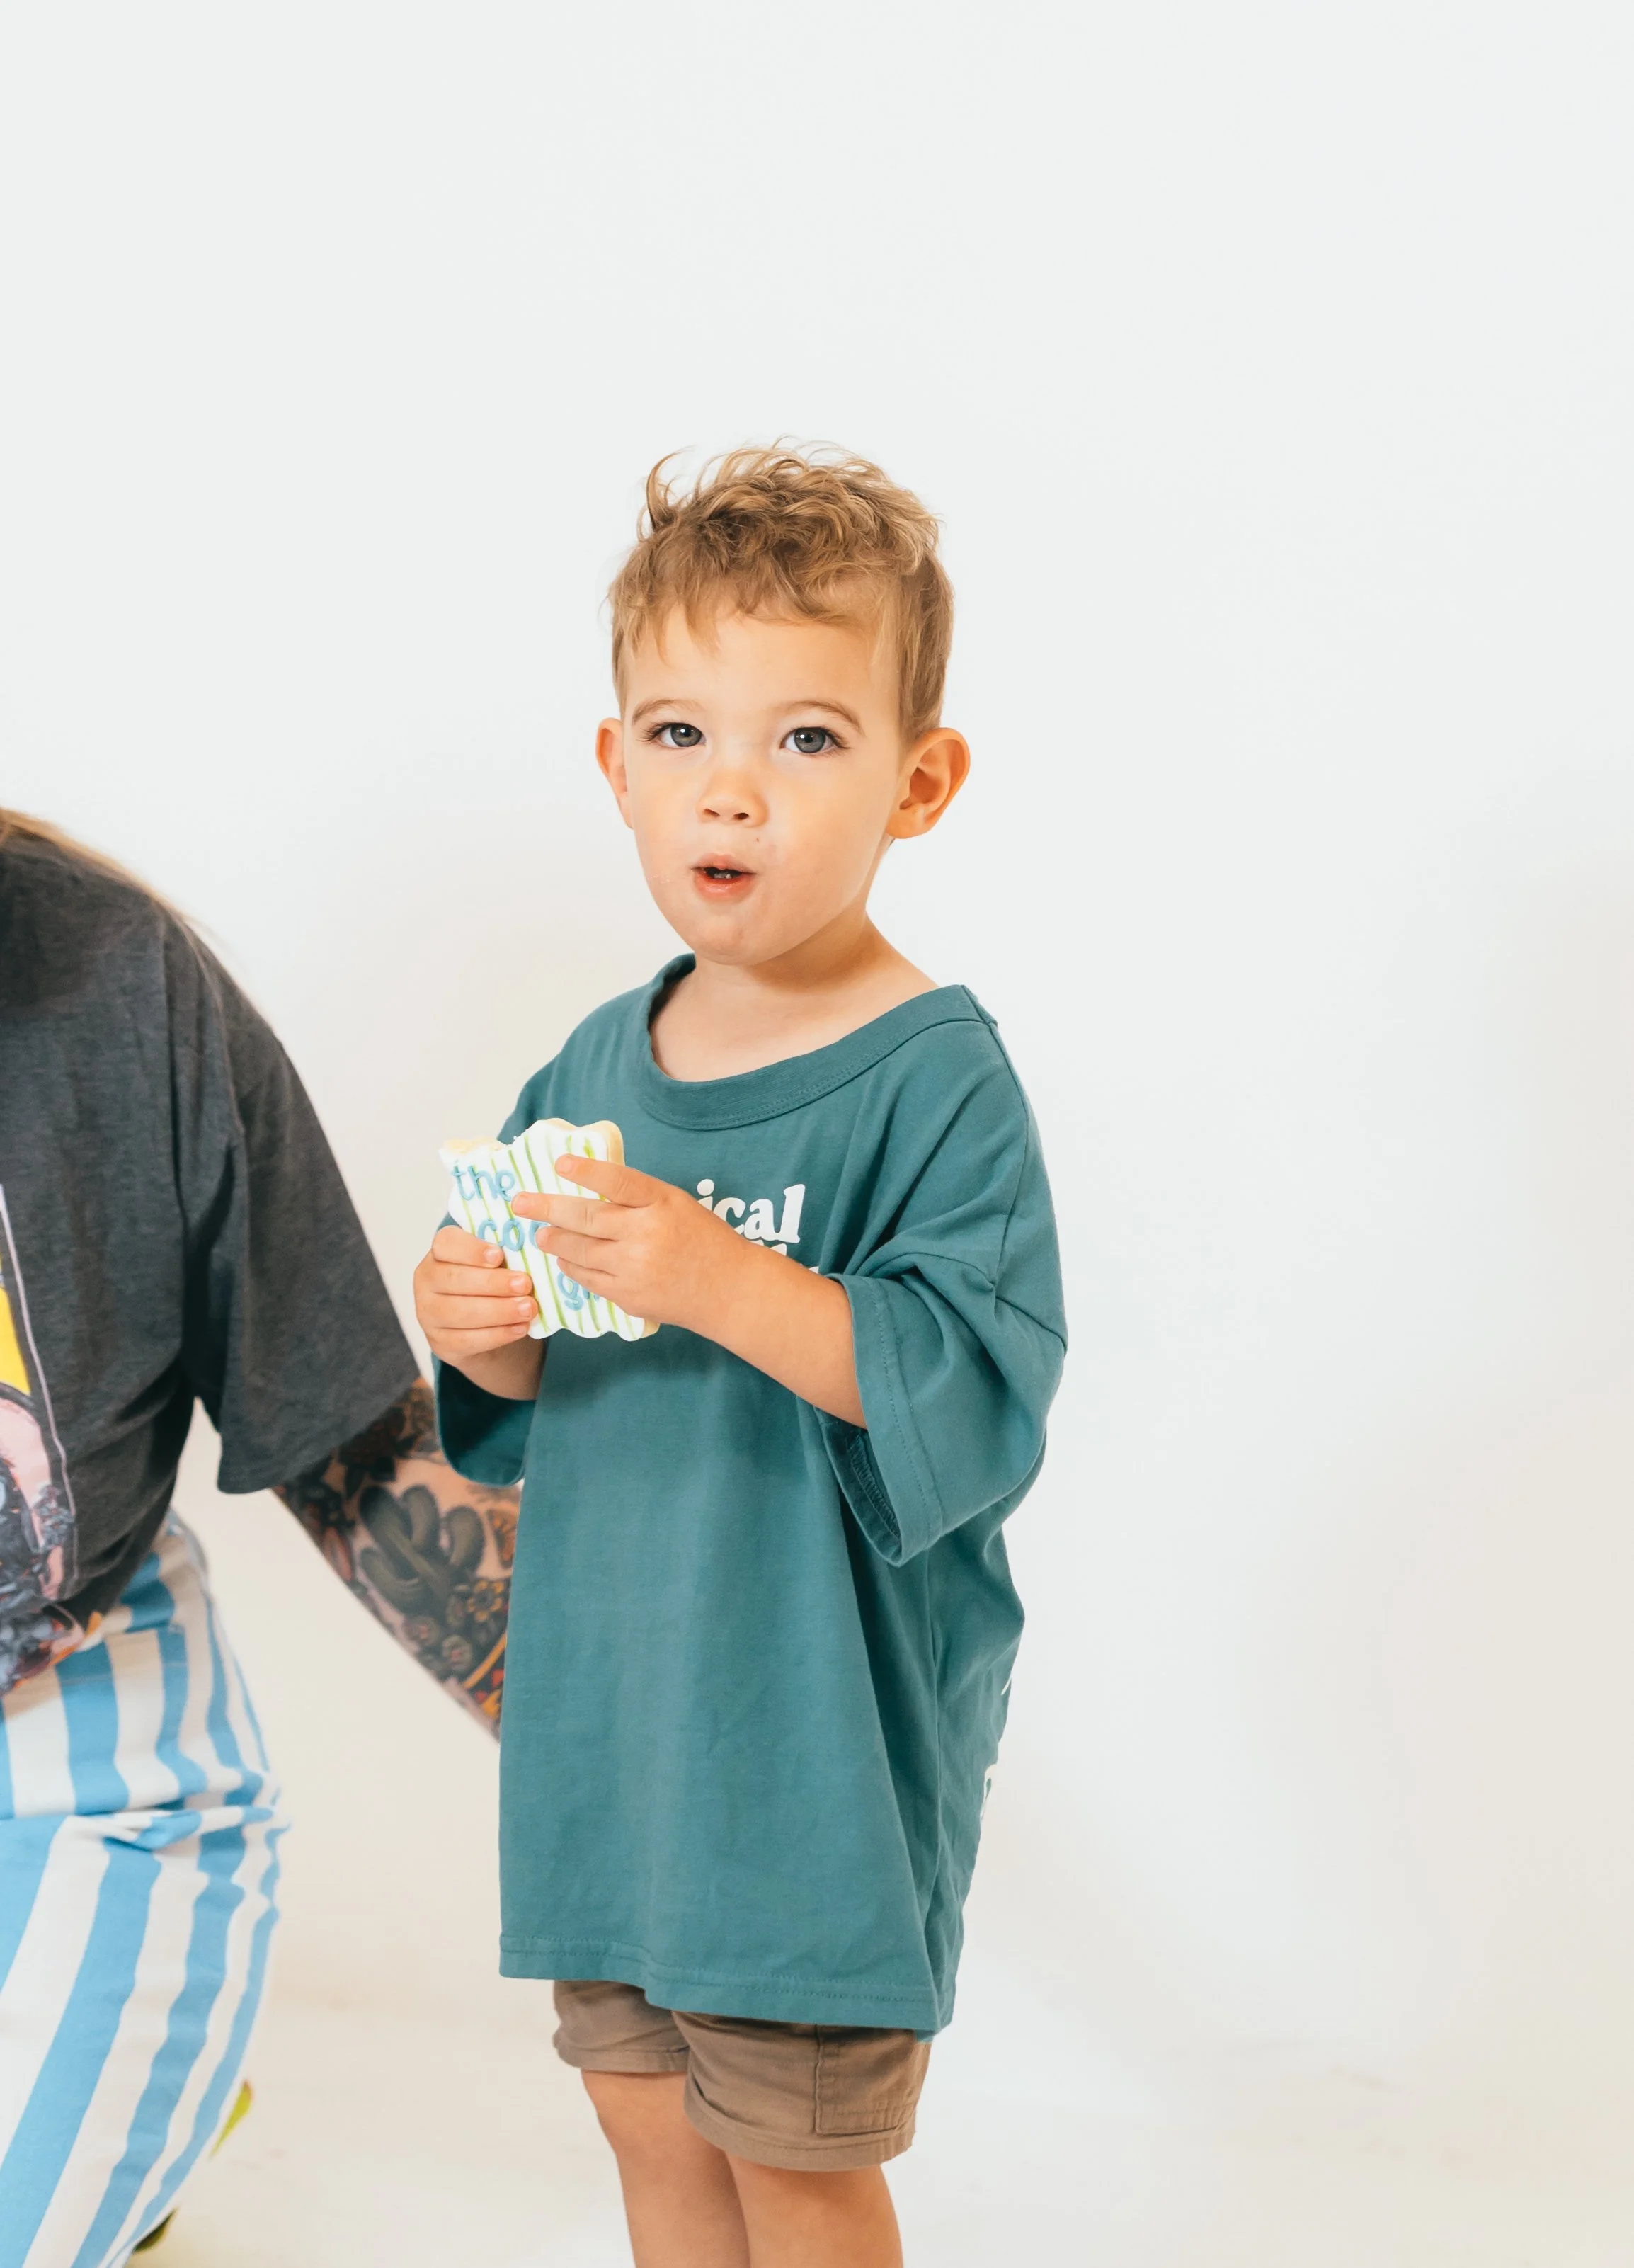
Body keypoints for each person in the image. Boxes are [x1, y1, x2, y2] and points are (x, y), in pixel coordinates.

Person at [414, 447, 1066, 2267]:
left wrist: (715, 1272)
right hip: (611, 1740)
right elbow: (523, 1396)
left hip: (805, 1757)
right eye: (684, 734)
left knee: (794, 2156)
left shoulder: (932, 1074)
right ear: (617, 766)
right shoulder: (594, 1065)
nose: (736, 789)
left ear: (916, 781)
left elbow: (970, 1382)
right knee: (649, 2137)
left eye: (806, 740)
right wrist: (484, 1325)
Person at [0, 812, 517, 2267]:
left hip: (73, 1751)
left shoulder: (118, 982)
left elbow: (361, 1454)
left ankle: (144, 2065)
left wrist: (644, 1757)